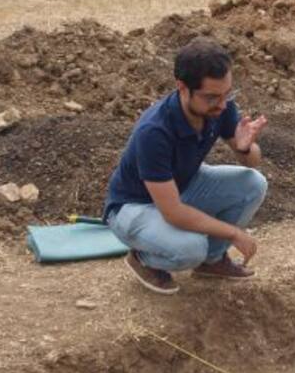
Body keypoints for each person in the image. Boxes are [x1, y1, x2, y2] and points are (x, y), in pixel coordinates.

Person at [103, 37, 268, 295]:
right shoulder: (154, 131)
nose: (223, 104)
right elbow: (173, 212)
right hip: (133, 207)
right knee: (190, 248)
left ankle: (211, 262)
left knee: (254, 183)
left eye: (227, 94)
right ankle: (142, 259)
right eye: (212, 96)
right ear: (182, 87)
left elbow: (252, 162)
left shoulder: (218, 106)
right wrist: (233, 234)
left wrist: (245, 148)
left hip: (181, 186)